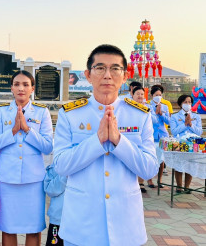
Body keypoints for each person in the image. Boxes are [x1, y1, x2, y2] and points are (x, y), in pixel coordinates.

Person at [53, 44, 158, 245]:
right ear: (88, 74)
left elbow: (149, 169)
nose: (107, 75)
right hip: (82, 225)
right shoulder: (71, 114)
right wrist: (97, 141)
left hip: (126, 225)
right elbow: (61, 165)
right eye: (100, 68)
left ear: (125, 76)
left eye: (115, 68)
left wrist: (119, 141)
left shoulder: (140, 115)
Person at [0, 70, 53, 246]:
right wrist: (13, 131)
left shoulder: (41, 112)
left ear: (32, 88)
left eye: (25, 84)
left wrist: (27, 129)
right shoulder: (2, 112)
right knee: (8, 228)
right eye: (16, 84)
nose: (21, 88)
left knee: (33, 229)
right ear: (11, 88)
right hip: (8, 180)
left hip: (33, 180)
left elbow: (48, 146)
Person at [170, 94, 203, 193]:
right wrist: (185, 124)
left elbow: (199, 132)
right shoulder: (175, 116)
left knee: (190, 165)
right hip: (179, 143)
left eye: (189, 102)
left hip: (192, 143)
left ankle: (187, 186)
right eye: (185, 102)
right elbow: (174, 131)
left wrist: (191, 124)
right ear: (181, 104)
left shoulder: (196, 116)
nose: (188, 104)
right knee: (178, 164)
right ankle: (179, 186)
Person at [148, 85, 170, 189]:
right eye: (156, 95)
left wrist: (161, 114)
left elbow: (168, 121)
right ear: (152, 95)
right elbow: (150, 120)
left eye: (160, 95)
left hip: (162, 135)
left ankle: (160, 180)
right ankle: (149, 179)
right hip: (151, 135)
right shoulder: (148, 106)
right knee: (151, 157)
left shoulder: (165, 106)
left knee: (161, 159)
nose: (158, 97)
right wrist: (156, 114)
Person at [132, 86, 151, 193]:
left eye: (142, 94)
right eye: (137, 94)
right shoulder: (128, 108)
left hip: (143, 136)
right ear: (133, 95)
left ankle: (141, 182)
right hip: (132, 136)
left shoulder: (147, 108)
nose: (140, 96)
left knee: (142, 158)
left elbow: (153, 120)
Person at [44, 164, 67, 246]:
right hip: (57, 221)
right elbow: (49, 190)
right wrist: (66, 175)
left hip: (77, 223)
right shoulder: (55, 166)